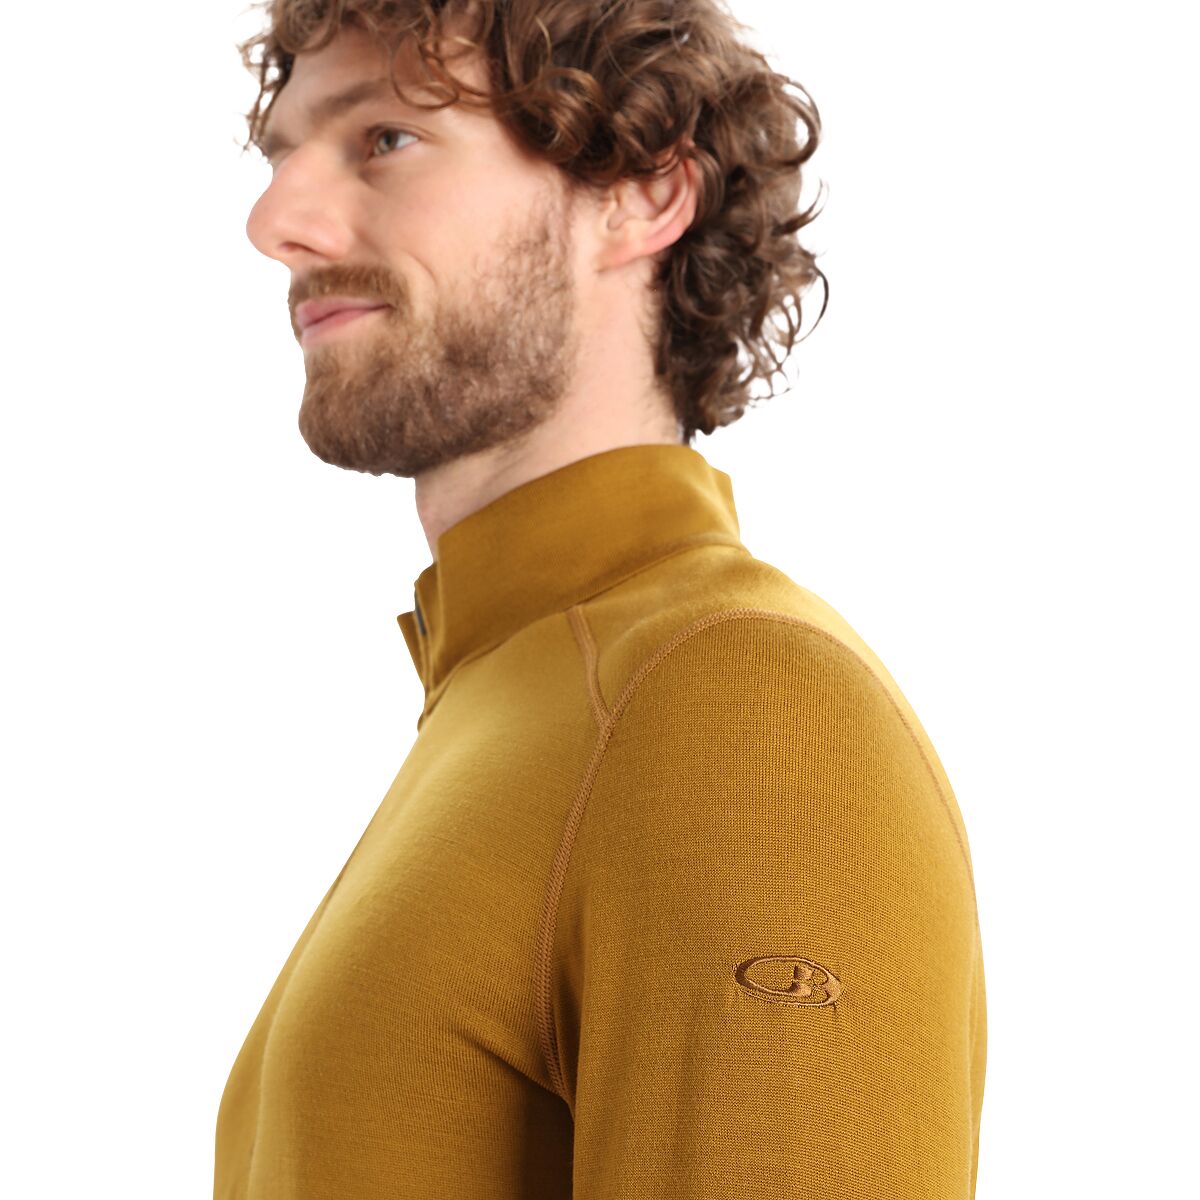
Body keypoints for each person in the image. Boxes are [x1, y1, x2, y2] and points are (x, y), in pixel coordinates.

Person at [215, 1, 987, 1196]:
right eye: (284, 154)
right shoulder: (514, 700)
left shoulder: (738, 703)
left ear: (643, 194)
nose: (276, 221)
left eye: (385, 139)